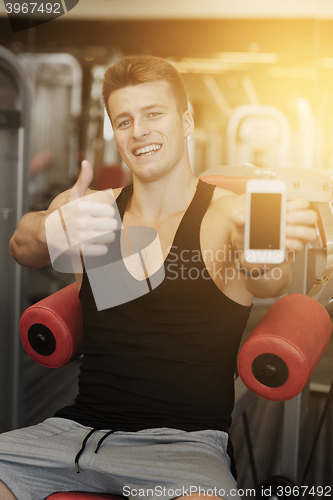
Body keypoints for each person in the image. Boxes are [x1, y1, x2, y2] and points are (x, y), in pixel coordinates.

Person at [2, 55, 317, 500]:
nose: (140, 131)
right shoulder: (93, 210)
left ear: (185, 121)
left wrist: (260, 255)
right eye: (125, 120)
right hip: (72, 434)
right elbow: (21, 246)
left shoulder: (226, 215)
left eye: (154, 114)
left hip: (181, 448)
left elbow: (270, 280)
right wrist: (53, 226)